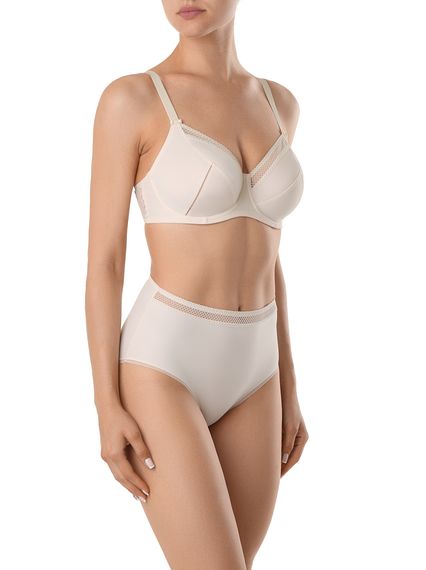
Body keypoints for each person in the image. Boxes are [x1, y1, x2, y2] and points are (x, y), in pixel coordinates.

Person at [85, 1, 309, 568]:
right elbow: (106, 262)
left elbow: (269, 254)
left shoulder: (280, 103)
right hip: (165, 362)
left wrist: (288, 382)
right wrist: (106, 404)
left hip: (256, 370)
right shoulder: (132, 99)